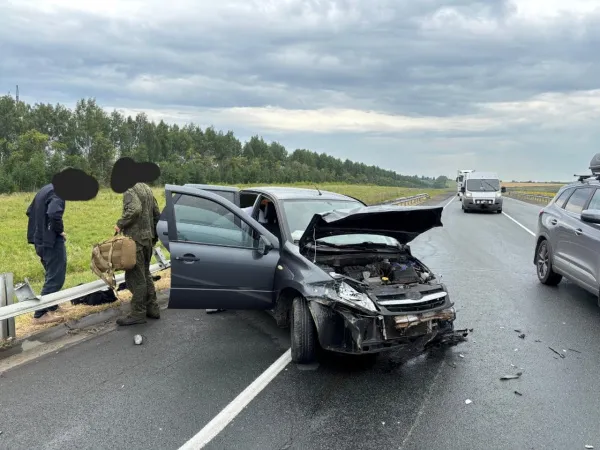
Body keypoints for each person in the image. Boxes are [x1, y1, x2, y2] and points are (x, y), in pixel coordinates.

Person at [114, 182, 161, 326]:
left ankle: (138, 313)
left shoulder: (130, 188)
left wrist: (120, 223)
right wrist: (154, 236)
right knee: (146, 274)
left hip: (135, 241)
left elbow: (134, 209)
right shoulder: (146, 188)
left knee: (137, 277)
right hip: (148, 239)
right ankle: (152, 308)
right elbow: (157, 214)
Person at [26, 183, 67, 324]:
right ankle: (40, 314)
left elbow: (29, 211)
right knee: (56, 277)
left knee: (51, 273)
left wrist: (39, 229)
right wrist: (59, 231)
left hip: (39, 239)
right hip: (51, 241)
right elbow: (54, 213)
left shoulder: (45, 189)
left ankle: (51, 305)